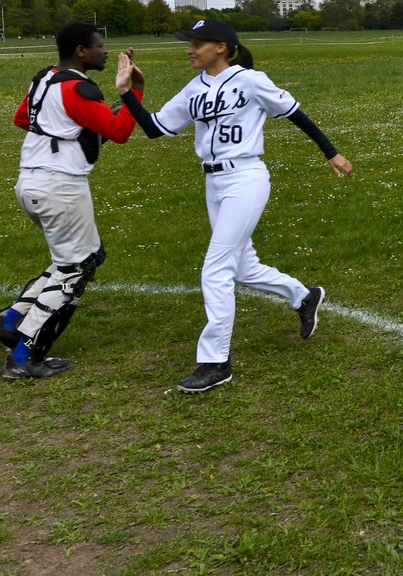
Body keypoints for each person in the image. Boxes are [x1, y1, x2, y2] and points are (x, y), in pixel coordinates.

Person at [115, 20, 351, 394]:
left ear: (221, 47)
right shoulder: (194, 88)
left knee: (216, 270)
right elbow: (155, 128)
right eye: (189, 43)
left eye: (197, 43)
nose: (189, 49)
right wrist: (127, 91)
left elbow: (294, 114)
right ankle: (303, 296)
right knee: (242, 265)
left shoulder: (251, 80)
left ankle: (215, 362)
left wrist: (331, 153)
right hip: (214, 183)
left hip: (246, 179)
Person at [0, 22, 143, 380]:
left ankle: (9, 321)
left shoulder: (44, 78)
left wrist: (75, 129)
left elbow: (22, 119)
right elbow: (119, 133)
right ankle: (24, 354)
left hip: (31, 181)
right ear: (80, 51)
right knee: (75, 269)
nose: (105, 51)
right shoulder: (79, 88)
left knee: (85, 257)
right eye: (99, 46)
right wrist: (135, 91)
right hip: (60, 187)